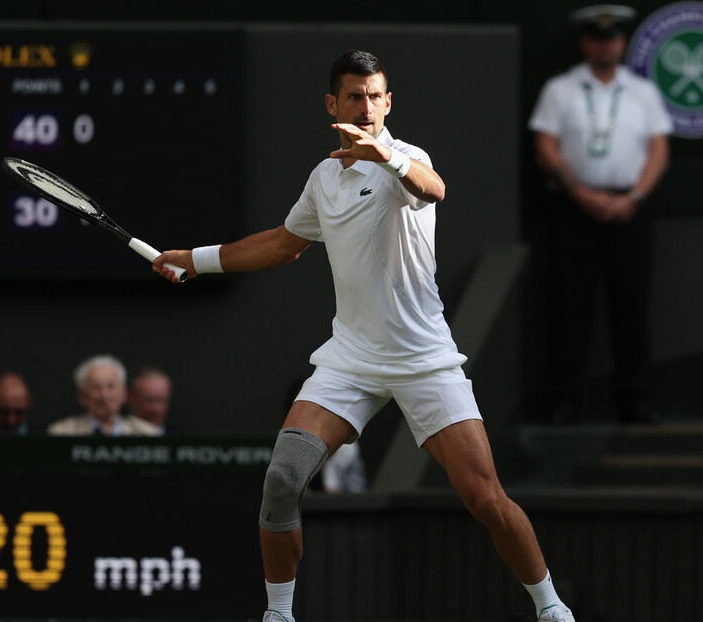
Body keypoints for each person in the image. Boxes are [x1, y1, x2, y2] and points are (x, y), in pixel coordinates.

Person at [152, 50, 575, 622]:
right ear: (332, 104)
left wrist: (388, 159)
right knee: (281, 479)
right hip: (350, 359)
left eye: (377, 96)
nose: (367, 107)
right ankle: (279, 614)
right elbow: (284, 243)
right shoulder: (324, 178)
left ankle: (551, 609)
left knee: (485, 498)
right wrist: (196, 261)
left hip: (425, 359)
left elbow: (434, 189)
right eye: (355, 96)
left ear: (389, 102)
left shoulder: (406, 158)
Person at [529, 5, 672, 425]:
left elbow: (659, 151)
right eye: (597, 37)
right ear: (584, 42)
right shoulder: (561, 88)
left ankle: (634, 402)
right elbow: (545, 147)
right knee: (570, 306)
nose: (605, 44)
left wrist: (636, 198)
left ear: (622, 42)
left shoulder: (643, 91)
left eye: (612, 38)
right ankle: (565, 402)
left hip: (630, 211)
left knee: (632, 305)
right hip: (573, 210)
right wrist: (580, 192)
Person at [47, 354, 161, 436]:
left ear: (124, 393)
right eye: (96, 388)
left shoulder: (147, 433)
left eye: (111, 387)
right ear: (82, 396)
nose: (104, 395)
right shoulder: (61, 433)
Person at [127, 367, 173, 435]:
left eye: (161, 400)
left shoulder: (181, 435)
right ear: (131, 398)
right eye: (149, 401)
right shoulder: (116, 432)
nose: (155, 408)